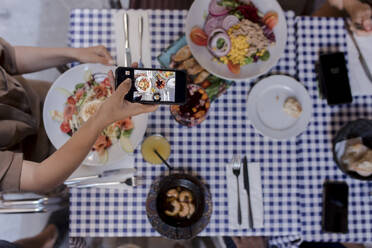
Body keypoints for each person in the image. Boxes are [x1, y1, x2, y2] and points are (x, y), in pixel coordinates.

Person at [0, 38, 157, 193]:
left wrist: (74, 53)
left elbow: (10, 57)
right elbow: (38, 178)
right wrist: (101, 119)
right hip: (46, 161)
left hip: (46, 97)